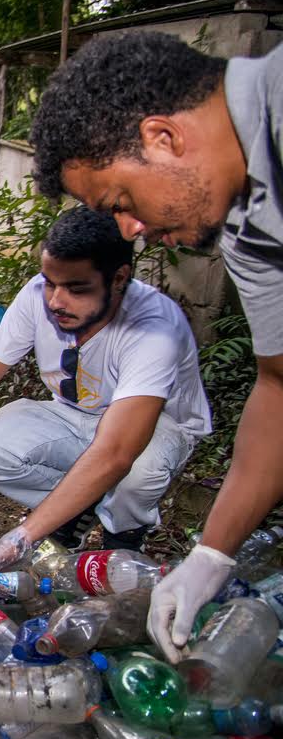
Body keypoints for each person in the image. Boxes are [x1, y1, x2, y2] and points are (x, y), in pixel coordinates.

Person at [27, 32, 283, 663]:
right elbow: (279, 387)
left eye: (121, 204)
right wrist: (212, 555)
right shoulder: (248, 234)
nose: (130, 231)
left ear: (163, 138)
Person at [0, 208, 210, 566]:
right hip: (71, 412)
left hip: (154, 427)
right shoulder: (37, 296)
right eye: (50, 282)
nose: (56, 301)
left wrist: (20, 537)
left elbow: (117, 451)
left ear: (119, 278)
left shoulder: (154, 327)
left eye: (77, 288)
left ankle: (121, 537)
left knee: (137, 475)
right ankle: (75, 509)